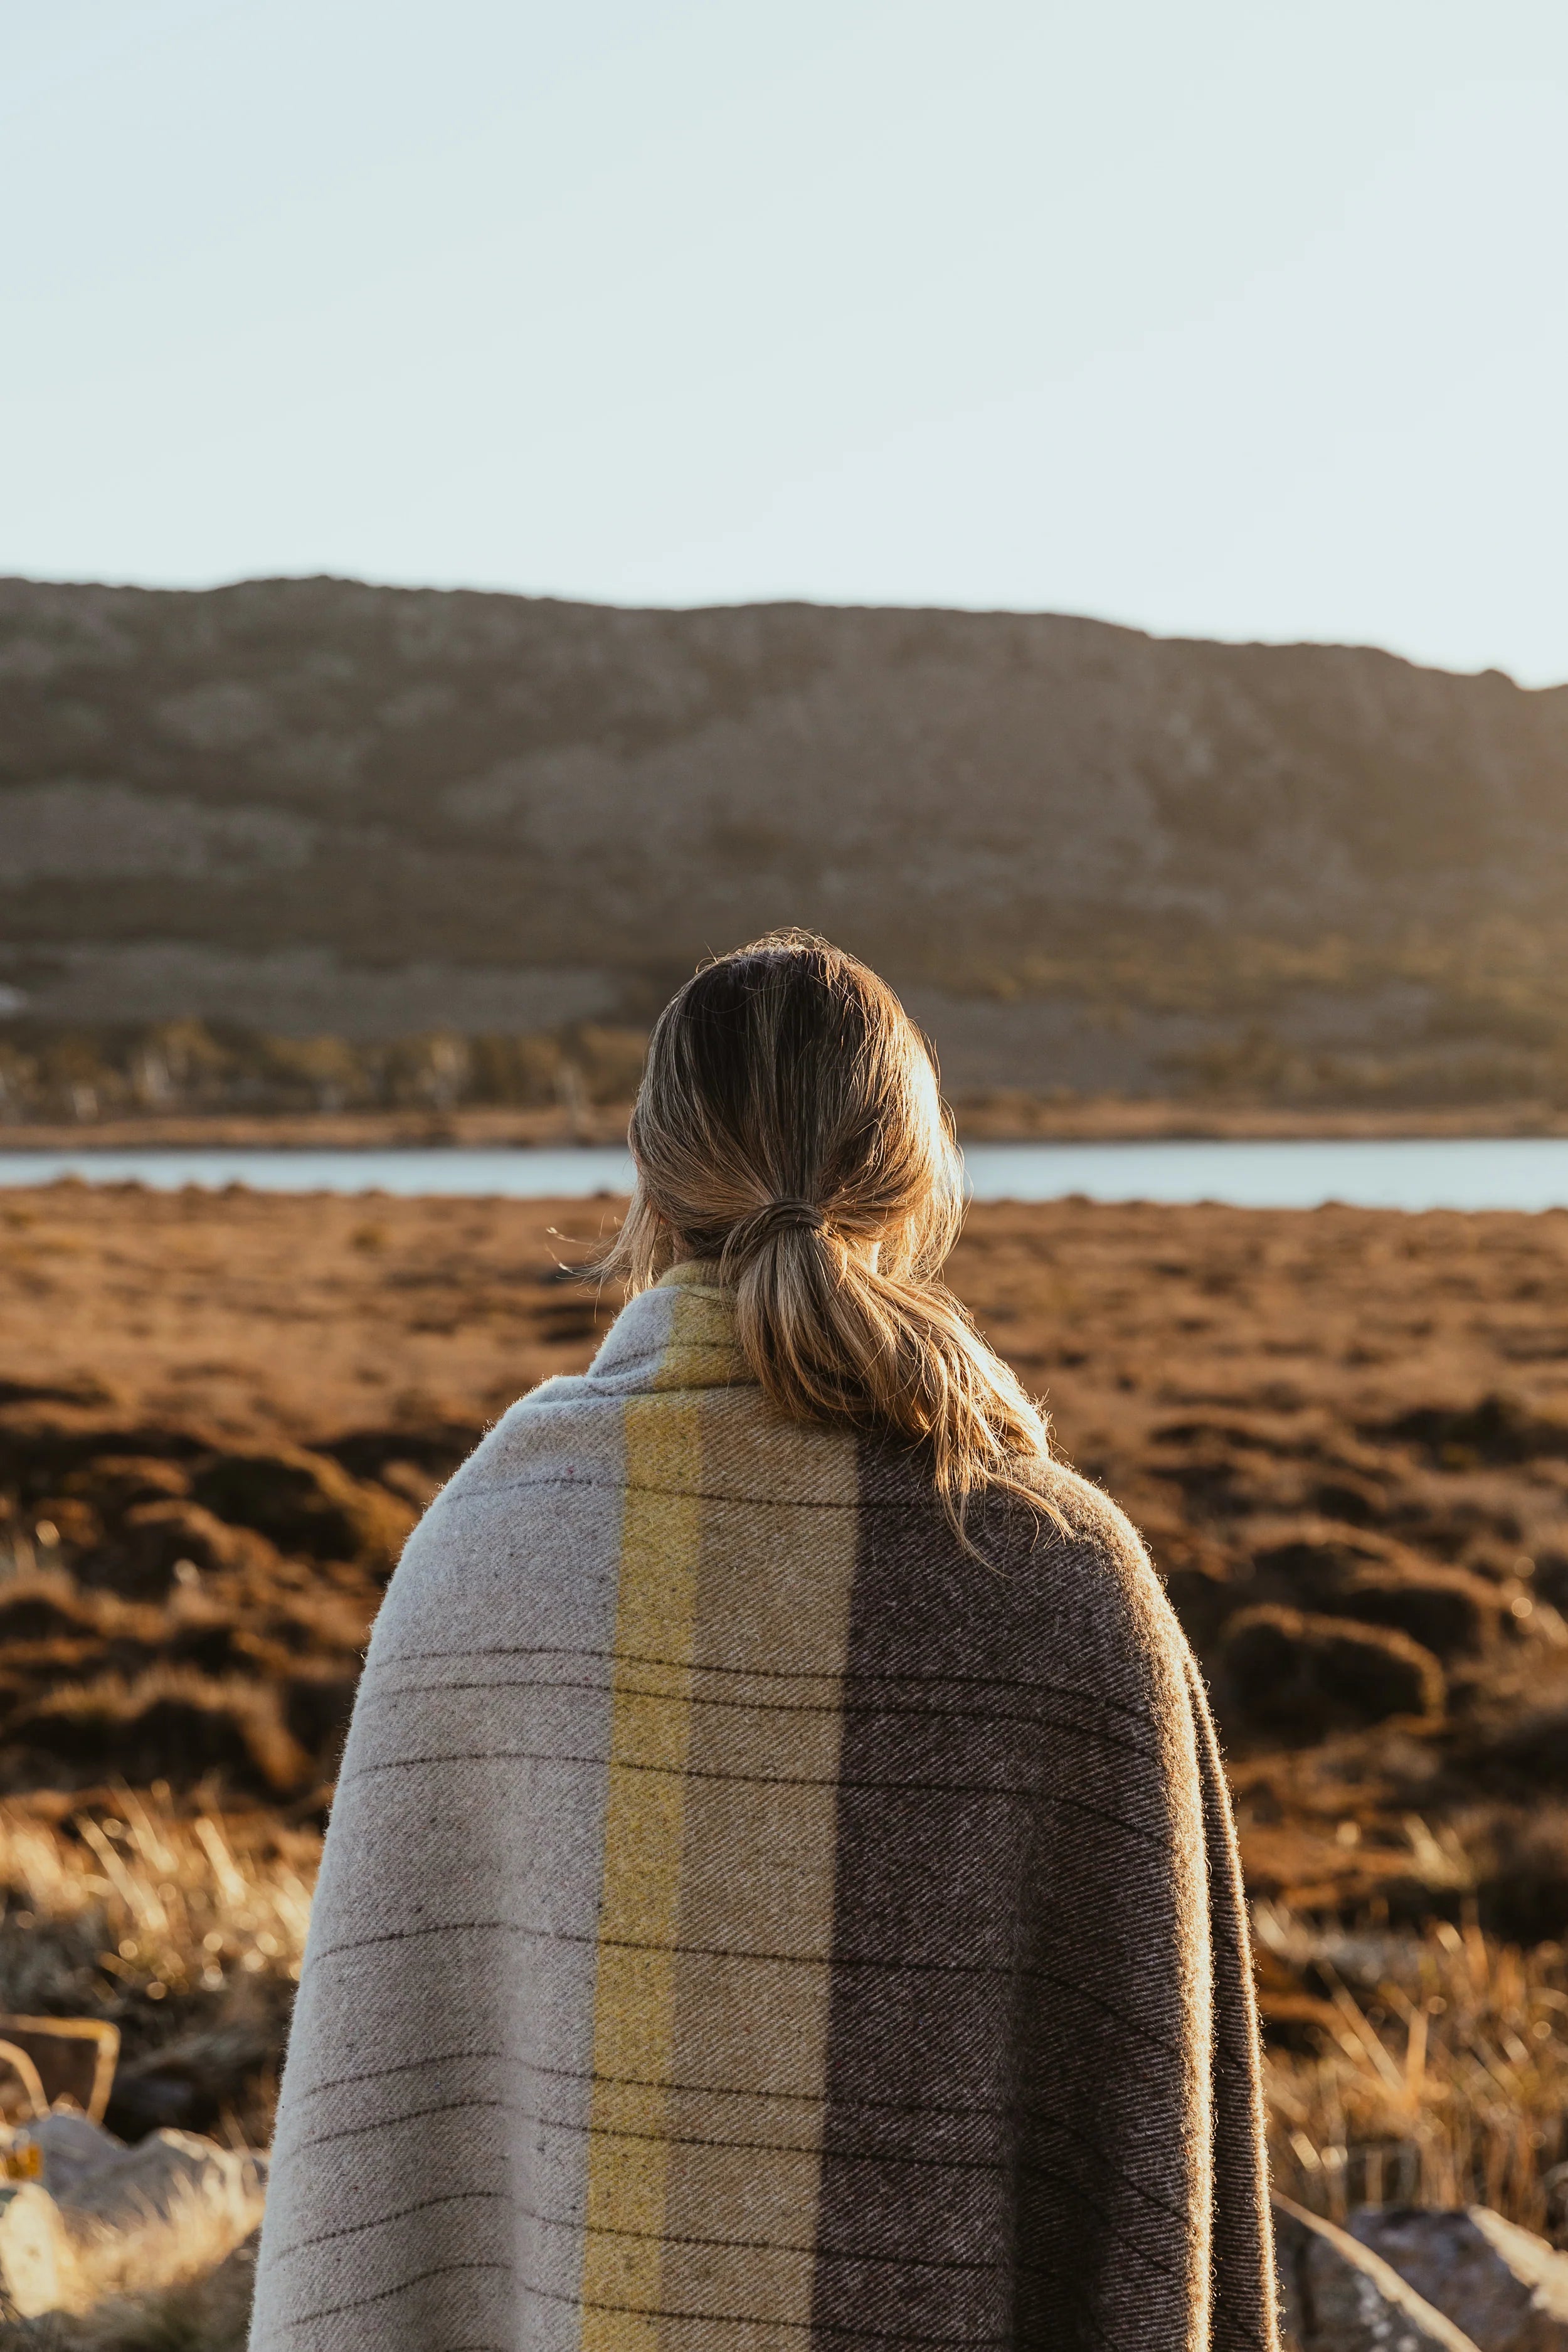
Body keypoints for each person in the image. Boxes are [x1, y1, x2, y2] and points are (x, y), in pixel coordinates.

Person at [250, 932, 1278, 2351]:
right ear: (916, 1183)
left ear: (648, 1177)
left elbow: (384, 2164)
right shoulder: (1063, 1575)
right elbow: (1150, 2193)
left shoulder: (484, 1546)